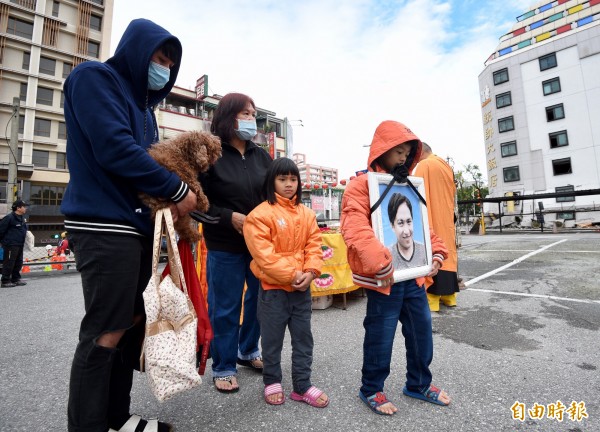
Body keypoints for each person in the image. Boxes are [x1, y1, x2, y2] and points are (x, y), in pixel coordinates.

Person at [62, 19, 197, 432]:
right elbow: (114, 149)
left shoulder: (146, 111)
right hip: (104, 223)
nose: (163, 68)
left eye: (169, 64)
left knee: (132, 323)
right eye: (158, 57)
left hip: (136, 225)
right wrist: (178, 191)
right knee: (106, 328)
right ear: (136, 50)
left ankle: (117, 419)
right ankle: (87, 426)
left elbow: (150, 163)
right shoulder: (95, 77)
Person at [341, 120, 451, 416]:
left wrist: (436, 255)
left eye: (407, 153)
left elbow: (423, 228)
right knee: (380, 336)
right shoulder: (360, 185)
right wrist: (380, 261)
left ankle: (418, 384)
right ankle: (371, 388)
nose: (403, 158)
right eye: (398, 152)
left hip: (413, 278)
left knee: (422, 333)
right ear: (382, 150)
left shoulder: (409, 187)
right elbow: (354, 227)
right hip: (384, 279)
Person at [192, 92, 272, 393]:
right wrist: (230, 218)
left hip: (260, 245)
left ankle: (248, 350)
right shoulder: (208, 154)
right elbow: (196, 203)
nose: (252, 120)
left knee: (260, 302)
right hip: (224, 244)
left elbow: (274, 197)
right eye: (245, 114)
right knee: (224, 307)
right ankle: (223, 366)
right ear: (227, 117)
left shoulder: (262, 156)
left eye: (253, 114)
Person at [243, 157, 329, 408]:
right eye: (282, 179)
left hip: (302, 290)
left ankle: (302, 385)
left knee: (304, 339)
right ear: (272, 182)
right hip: (273, 291)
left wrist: (312, 271)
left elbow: (315, 246)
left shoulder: (307, 214)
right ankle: (272, 380)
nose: (289, 184)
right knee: (271, 341)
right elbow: (264, 256)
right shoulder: (259, 215)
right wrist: (293, 275)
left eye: (293, 179)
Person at [413, 143, 460, 312]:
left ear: (420, 153)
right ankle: (449, 297)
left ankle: (432, 299)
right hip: (445, 217)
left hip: (431, 216)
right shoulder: (445, 165)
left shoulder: (424, 165)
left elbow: (414, 190)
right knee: (447, 251)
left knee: (432, 250)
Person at [387, 193, 427, 269]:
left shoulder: (425, 252)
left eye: (409, 221)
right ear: (392, 226)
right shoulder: (387, 257)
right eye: (400, 223)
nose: (406, 231)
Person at [0, 200, 29, 288]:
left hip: (19, 244)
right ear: (18, 208)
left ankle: (15, 279)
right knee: (9, 262)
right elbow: (1, 231)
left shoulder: (21, 218)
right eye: (24, 206)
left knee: (18, 262)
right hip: (10, 245)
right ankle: (5, 281)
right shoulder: (9, 218)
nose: (25, 208)